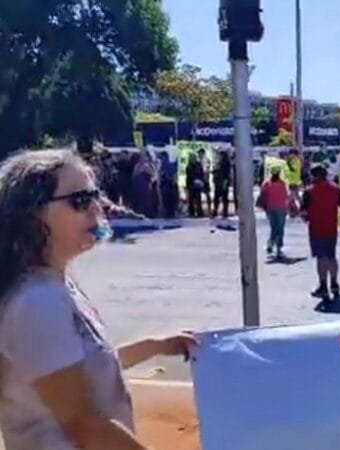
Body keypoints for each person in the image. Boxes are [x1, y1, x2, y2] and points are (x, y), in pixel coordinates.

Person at [0, 149, 197, 450]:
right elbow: (84, 423)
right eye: (80, 201)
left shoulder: (55, 285)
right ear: (32, 214)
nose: (97, 209)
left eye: (96, 195)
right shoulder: (37, 301)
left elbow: (83, 368)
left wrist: (157, 346)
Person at [301, 165, 340, 302]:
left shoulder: (309, 191)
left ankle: (323, 285)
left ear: (315, 176)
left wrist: (305, 216)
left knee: (321, 258)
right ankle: (334, 283)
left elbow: (303, 212)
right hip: (331, 228)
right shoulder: (336, 189)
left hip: (316, 228)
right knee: (331, 256)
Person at [259, 166, 289, 258]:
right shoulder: (282, 184)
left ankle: (270, 244)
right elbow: (286, 196)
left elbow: (262, 195)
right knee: (280, 228)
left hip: (270, 208)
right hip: (281, 208)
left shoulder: (266, 184)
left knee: (273, 227)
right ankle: (278, 247)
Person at [212, 150, 232, 218]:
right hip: (219, 182)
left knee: (221, 197)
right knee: (222, 198)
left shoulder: (225, 163)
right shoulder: (222, 163)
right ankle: (222, 212)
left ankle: (221, 212)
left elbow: (226, 174)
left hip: (222, 181)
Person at [286, 149, 303, 214]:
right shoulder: (294, 160)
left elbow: (293, 169)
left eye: (290, 154)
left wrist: (287, 164)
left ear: (294, 154)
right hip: (292, 181)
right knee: (296, 196)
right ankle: (301, 208)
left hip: (294, 182)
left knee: (291, 197)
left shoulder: (296, 161)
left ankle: (289, 210)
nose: (289, 155)